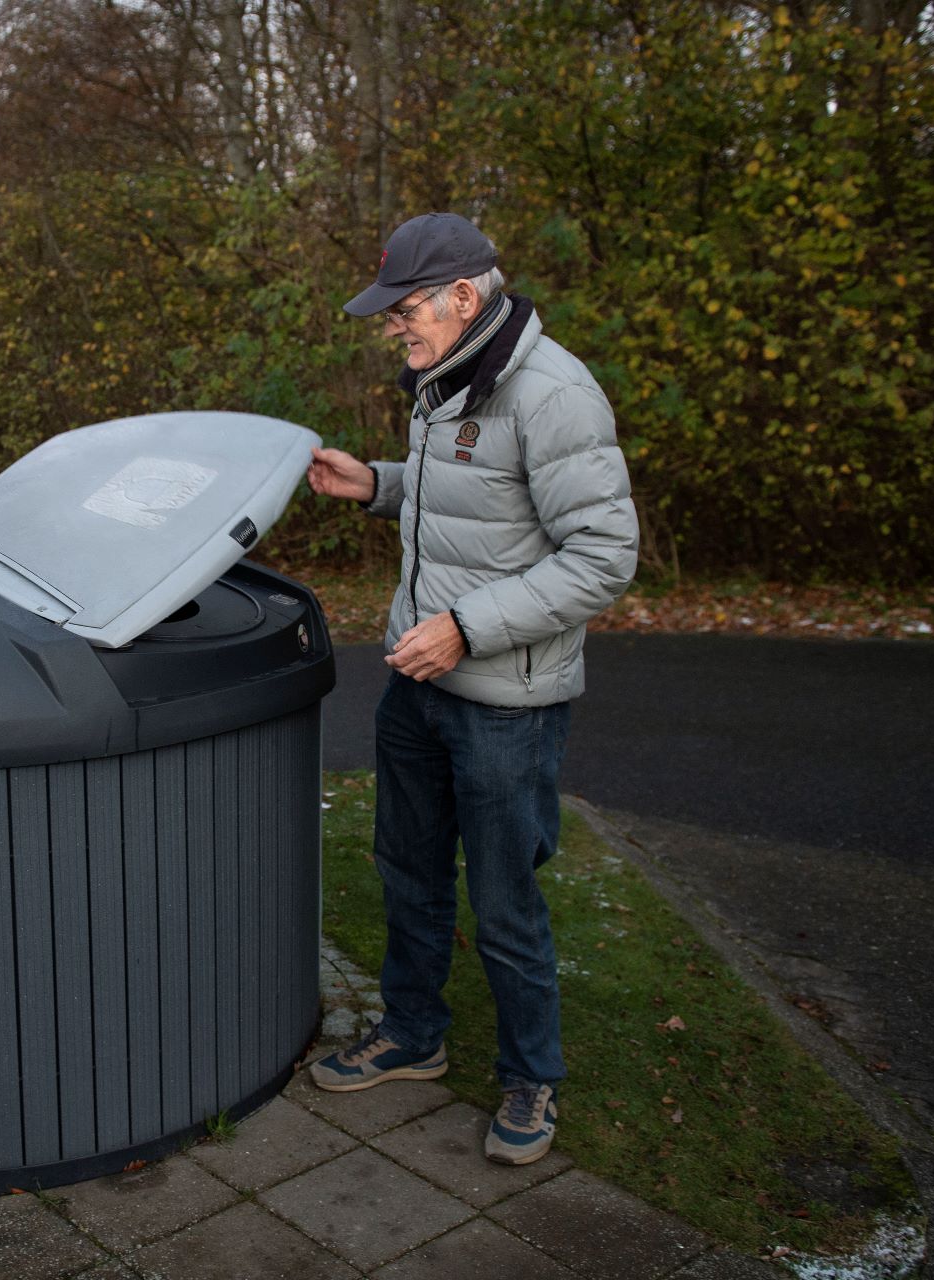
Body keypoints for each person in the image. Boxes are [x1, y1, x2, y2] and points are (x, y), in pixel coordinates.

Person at [305, 212, 638, 1166]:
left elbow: (604, 557)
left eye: (403, 310)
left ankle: (532, 1076)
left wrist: (468, 628)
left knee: (503, 901)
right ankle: (413, 1034)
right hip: (417, 686)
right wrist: (375, 483)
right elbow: (474, 500)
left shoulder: (553, 395)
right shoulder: (446, 377)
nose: (393, 329)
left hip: (505, 707)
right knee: (407, 873)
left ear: (463, 295)